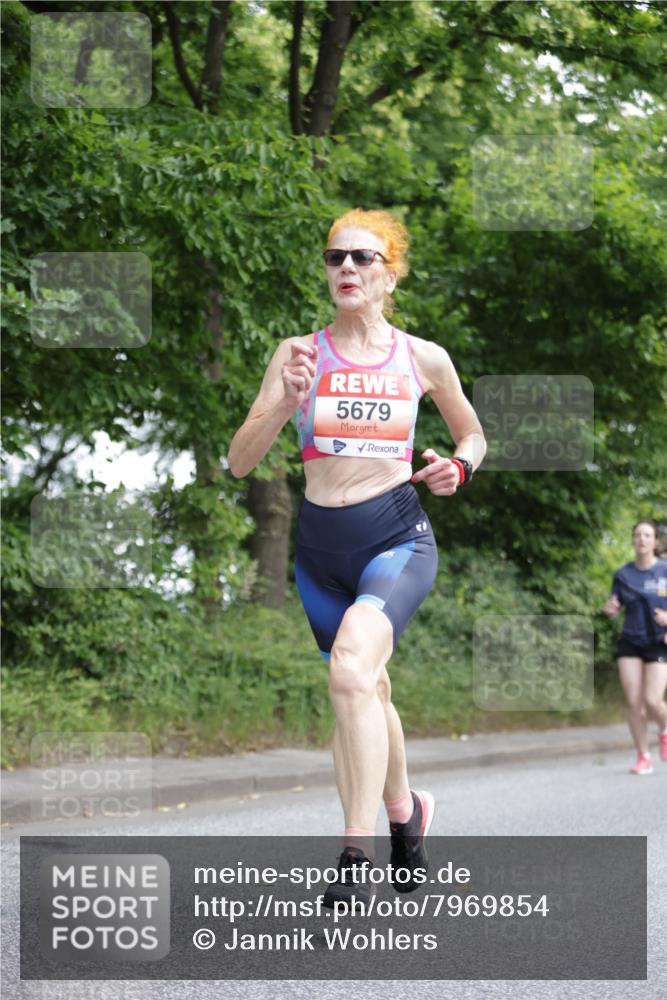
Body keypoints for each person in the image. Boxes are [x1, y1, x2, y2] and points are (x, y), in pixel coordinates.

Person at [228, 208, 486, 906]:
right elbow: (238, 460)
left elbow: (472, 436)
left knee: (348, 672)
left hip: (394, 540)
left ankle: (354, 848)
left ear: (387, 274)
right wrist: (283, 402)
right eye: (335, 257)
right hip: (319, 551)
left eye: (362, 259)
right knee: (366, 690)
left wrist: (456, 469)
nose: (345, 267)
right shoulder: (296, 353)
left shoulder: (421, 357)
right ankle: (407, 814)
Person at [602, 520, 667, 775]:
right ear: (633, 540)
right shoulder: (623, 574)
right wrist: (611, 609)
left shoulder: (665, 570)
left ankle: (664, 730)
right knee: (634, 703)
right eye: (637, 535)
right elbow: (614, 603)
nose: (641, 539)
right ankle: (644, 756)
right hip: (630, 640)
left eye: (647, 535)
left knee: (653, 700)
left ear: (655, 542)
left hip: (659, 642)